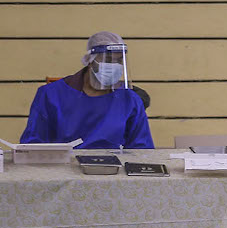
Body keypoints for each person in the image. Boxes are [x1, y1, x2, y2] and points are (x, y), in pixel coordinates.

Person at [20, 31, 154, 149]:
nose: (114, 66)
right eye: (107, 59)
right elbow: (32, 144)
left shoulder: (130, 100)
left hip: (112, 171)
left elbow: (142, 149)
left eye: (119, 61)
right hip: (62, 171)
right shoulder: (51, 95)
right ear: (90, 61)